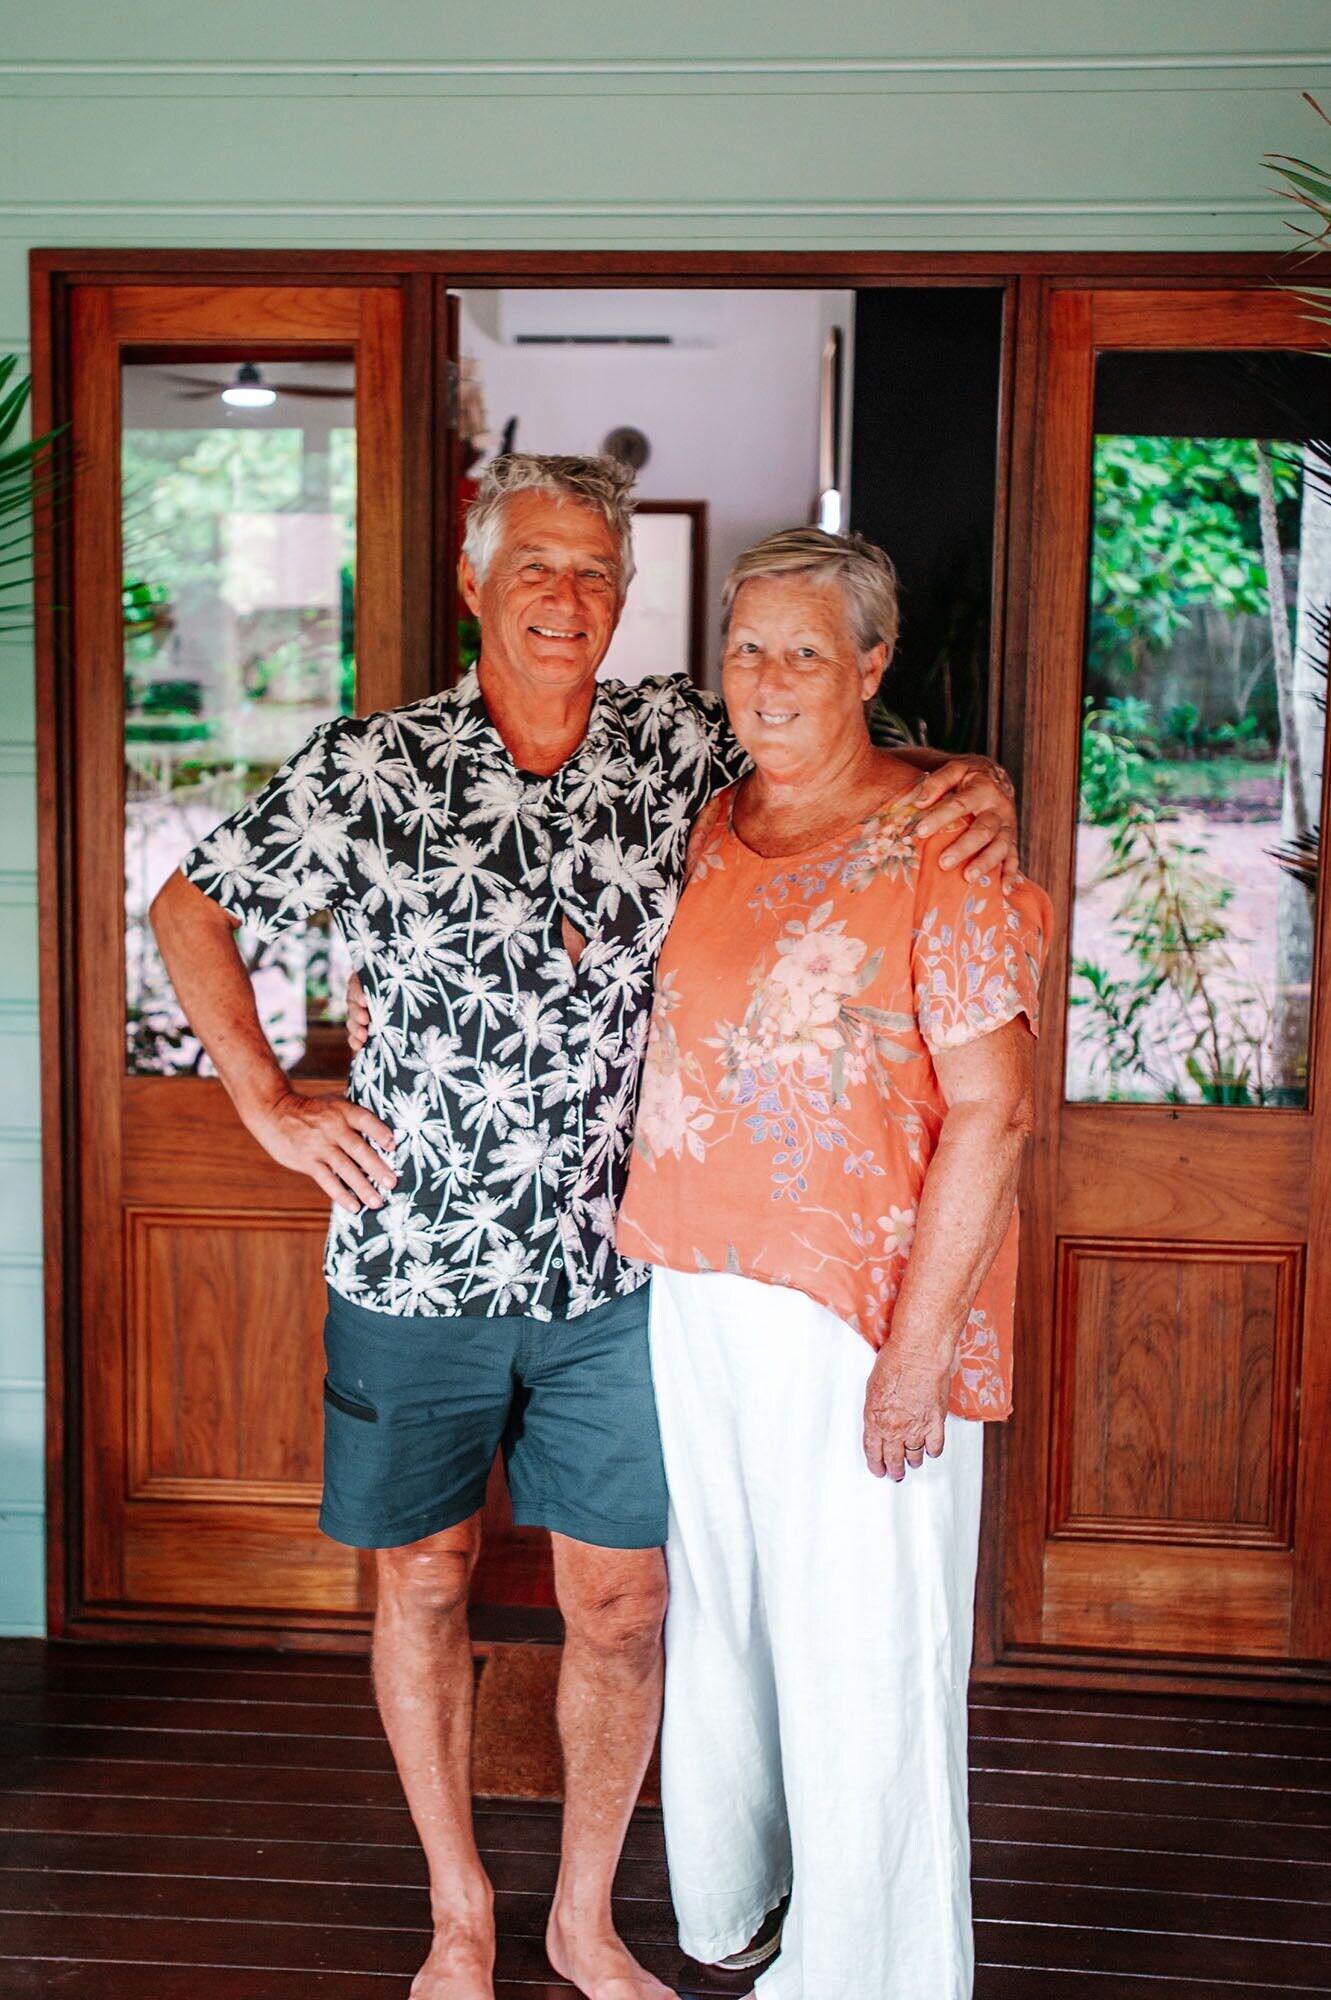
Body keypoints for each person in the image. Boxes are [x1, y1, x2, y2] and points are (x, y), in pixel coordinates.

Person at [150, 456, 1020, 2000]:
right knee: (422, 1578)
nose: (567, 598)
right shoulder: (372, 767)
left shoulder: (679, 743)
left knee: (621, 1605)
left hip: (620, 1275)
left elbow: (844, 764)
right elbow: (188, 909)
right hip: (411, 1262)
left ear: (628, 600)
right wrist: (268, 1101)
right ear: (474, 582)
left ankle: (582, 1918)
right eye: (535, 566)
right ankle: (459, 1914)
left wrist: (978, 781)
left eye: (596, 573)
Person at [615, 527, 1052, 2000]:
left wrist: (921, 1350)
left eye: (807, 650)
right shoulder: (706, 819)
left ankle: (874, 1969)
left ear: (873, 664)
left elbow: (995, 1109)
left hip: (863, 1315)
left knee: (864, 1646)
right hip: (694, 1285)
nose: (768, 677)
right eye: (747, 647)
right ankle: (734, 1902)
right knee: (727, 1614)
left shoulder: (946, 839)